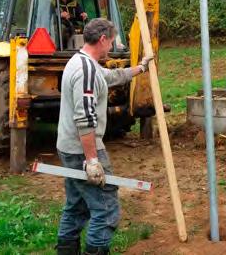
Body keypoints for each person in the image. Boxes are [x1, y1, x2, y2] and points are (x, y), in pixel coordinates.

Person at [56, 18, 153, 255]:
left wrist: (140, 68)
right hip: (83, 150)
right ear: (102, 39)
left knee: (77, 206)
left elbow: (110, 77)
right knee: (106, 208)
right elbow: (84, 119)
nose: (111, 47)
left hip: (69, 147)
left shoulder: (81, 62)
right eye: (110, 42)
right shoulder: (85, 71)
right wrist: (92, 161)